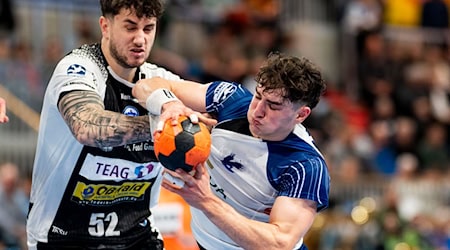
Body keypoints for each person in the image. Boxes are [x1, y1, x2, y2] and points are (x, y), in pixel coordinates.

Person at [26, 1, 212, 249]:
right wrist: (164, 126)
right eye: (130, 27)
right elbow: (86, 127)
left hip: (137, 235)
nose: (140, 39)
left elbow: (211, 107)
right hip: (64, 237)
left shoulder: (163, 81)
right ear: (105, 26)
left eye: (148, 29)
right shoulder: (78, 68)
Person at [133, 52, 331, 249]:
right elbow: (144, 86)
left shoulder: (305, 166)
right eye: (258, 96)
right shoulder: (231, 99)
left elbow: (279, 244)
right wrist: (170, 104)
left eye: (273, 106)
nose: (257, 111)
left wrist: (206, 202)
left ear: (301, 115)